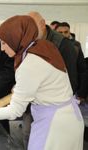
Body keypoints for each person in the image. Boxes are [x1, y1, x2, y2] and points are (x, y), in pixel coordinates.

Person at [0, 15, 84, 150]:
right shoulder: (42, 47)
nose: (1, 48)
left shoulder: (29, 63)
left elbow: (15, 111)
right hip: (69, 118)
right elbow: (44, 81)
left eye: (4, 43)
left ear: (16, 38)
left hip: (55, 126)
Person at [21, 11, 87, 149]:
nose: (29, 31)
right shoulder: (31, 42)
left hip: (55, 108)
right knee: (28, 134)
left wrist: (78, 95)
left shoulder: (65, 45)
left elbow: (72, 78)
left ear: (42, 24)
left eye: (32, 26)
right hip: (34, 104)